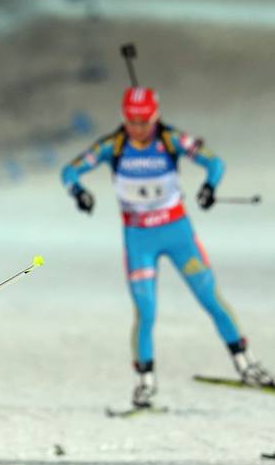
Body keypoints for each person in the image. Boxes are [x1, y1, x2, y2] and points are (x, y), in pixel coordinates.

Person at [62, 87, 271, 408]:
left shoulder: (172, 140)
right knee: (145, 312)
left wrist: (209, 188)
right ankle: (144, 384)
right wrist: (78, 191)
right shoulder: (112, 146)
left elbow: (215, 163)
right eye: (132, 120)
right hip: (139, 239)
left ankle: (247, 365)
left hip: (177, 234)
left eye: (144, 121)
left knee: (210, 298)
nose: (138, 128)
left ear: (155, 116)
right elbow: (69, 170)